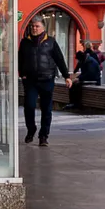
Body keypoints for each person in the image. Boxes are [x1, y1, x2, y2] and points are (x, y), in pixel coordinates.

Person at [18, 16, 71, 147]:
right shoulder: (25, 42)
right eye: (33, 26)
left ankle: (43, 136)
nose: (34, 29)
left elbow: (59, 59)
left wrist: (67, 76)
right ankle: (31, 129)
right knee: (29, 106)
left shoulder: (51, 42)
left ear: (43, 27)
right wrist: (22, 74)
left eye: (37, 26)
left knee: (46, 109)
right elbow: (20, 59)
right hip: (30, 81)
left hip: (47, 79)